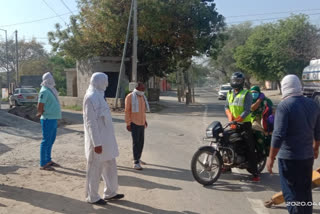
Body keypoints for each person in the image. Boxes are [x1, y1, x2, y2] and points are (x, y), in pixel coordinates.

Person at [267, 74, 320, 214]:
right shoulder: (313, 104)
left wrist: (271, 158)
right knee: (305, 192)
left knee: (291, 194)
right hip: (307, 157)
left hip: (289, 159)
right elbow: (318, 130)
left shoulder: (284, 106)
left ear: (285, 87)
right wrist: (316, 148)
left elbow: (278, 135)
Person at [83, 72, 124, 205]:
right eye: (104, 81)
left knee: (110, 164)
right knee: (95, 168)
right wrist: (96, 143)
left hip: (107, 139)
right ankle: (92, 196)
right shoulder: (90, 98)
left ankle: (110, 192)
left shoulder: (100, 95)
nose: (107, 84)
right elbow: (91, 123)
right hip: (98, 141)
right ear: (98, 81)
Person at [225, 72, 260, 182]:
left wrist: (237, 120)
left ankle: (255, 173)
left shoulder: (246, 94)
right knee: (225, 141)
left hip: (244, 124)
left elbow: (247, 110)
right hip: (233, 124)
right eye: (234, 80)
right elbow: (226, 107)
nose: (235, 83)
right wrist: (230, 118)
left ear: (242, 82)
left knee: (249, 147)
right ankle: (226, 166)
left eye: (238, 81)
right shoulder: (229, 93)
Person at [36, 72, 62, 171]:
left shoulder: (50, 90)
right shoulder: (44, 91)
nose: (52, 80)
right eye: (50, 78)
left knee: (51, 140)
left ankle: (48, 160)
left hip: (53, 118)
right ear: (46, 80)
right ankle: (43, 163)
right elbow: (40, 104)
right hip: (47, 119)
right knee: (46, 140)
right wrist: (40, 112)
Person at [125, 82, 150, 170]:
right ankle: (136, 162)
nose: (143, 90)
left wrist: (145, 121)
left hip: (142, 123)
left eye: (144, 88)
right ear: (137, 88)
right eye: (142, 88)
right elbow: (127, 111)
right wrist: (128, 123)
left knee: (141, 143)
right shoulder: (130, 96)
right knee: (136, 143)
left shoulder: (142, 97)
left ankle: (138, 158)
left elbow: (142, 111)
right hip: (134, 123)